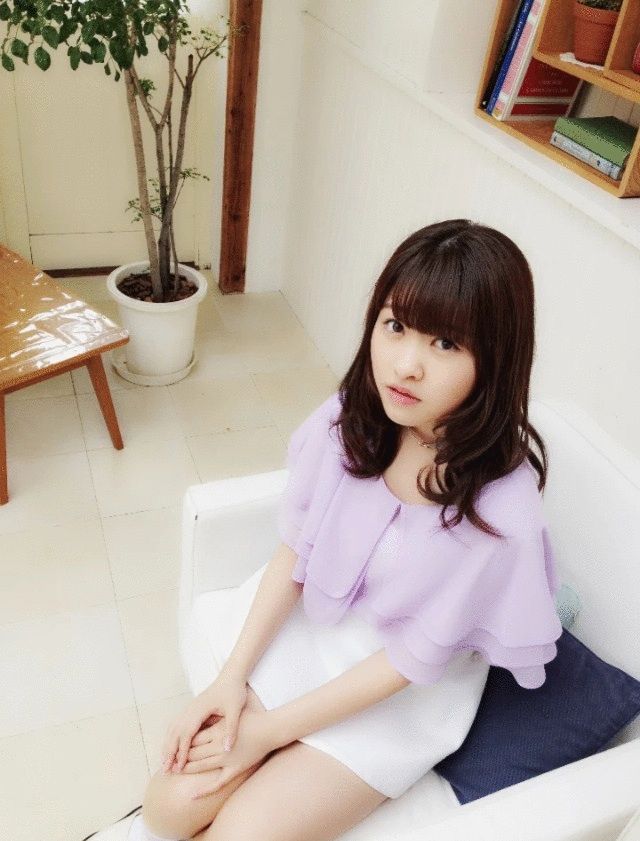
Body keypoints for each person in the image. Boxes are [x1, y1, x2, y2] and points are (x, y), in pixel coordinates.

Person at [129, 219, 562, 841]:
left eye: (445, 343)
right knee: (167, 809)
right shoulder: (351, 418)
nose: (405, 365)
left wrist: (266, 734)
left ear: (495, 359)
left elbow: (407, 663)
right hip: (312, 634)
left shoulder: (499, 510)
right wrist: (229, 681)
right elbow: (296, 549)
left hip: (393, 699)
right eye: (396, 325)